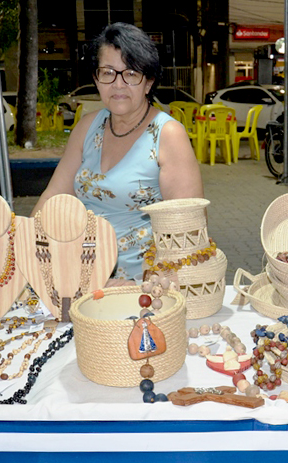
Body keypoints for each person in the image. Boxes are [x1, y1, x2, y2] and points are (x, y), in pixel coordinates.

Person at [31, 23, 203, 284]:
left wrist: (144, 283)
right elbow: (53, 197)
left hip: (145, 284)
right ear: (96, 78)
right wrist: (25, 245)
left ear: (149, 81)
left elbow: (188, 230)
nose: (118, 84)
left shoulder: (168, 135)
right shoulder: (87, 127)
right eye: (108, 72)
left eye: (131, 73)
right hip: (80, 275)